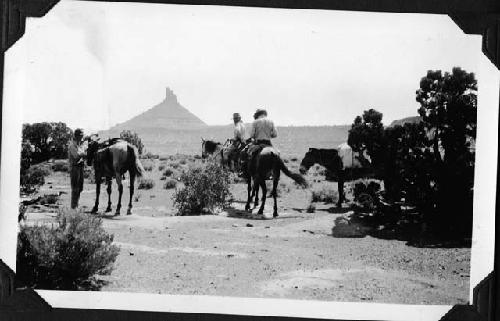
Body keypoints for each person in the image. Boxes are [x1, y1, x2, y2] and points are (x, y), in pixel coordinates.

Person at [245, 108, 277, 173]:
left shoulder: (255, 122)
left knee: (248, 154)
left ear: (257, 115)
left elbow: (252, 135)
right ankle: (275, 172)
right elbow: (275, 134)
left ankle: (250, 171)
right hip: (268, 143)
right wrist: (268, 135)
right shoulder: (271, 121)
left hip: (258, 143)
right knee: (277, 155)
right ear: (265, 114)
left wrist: (256, 136)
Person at [68, 128, 87, 209]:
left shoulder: (79, 145)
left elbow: (82, 154)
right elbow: (76, 156)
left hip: (80, 167)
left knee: (80, 188)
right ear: (77, 136)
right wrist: (83, 154)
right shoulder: (72, 145)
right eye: (81, 136)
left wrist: (82, 154)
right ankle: (73, 207)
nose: (82, 137)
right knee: (75, 188)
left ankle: (76, 205)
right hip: (74, 168)